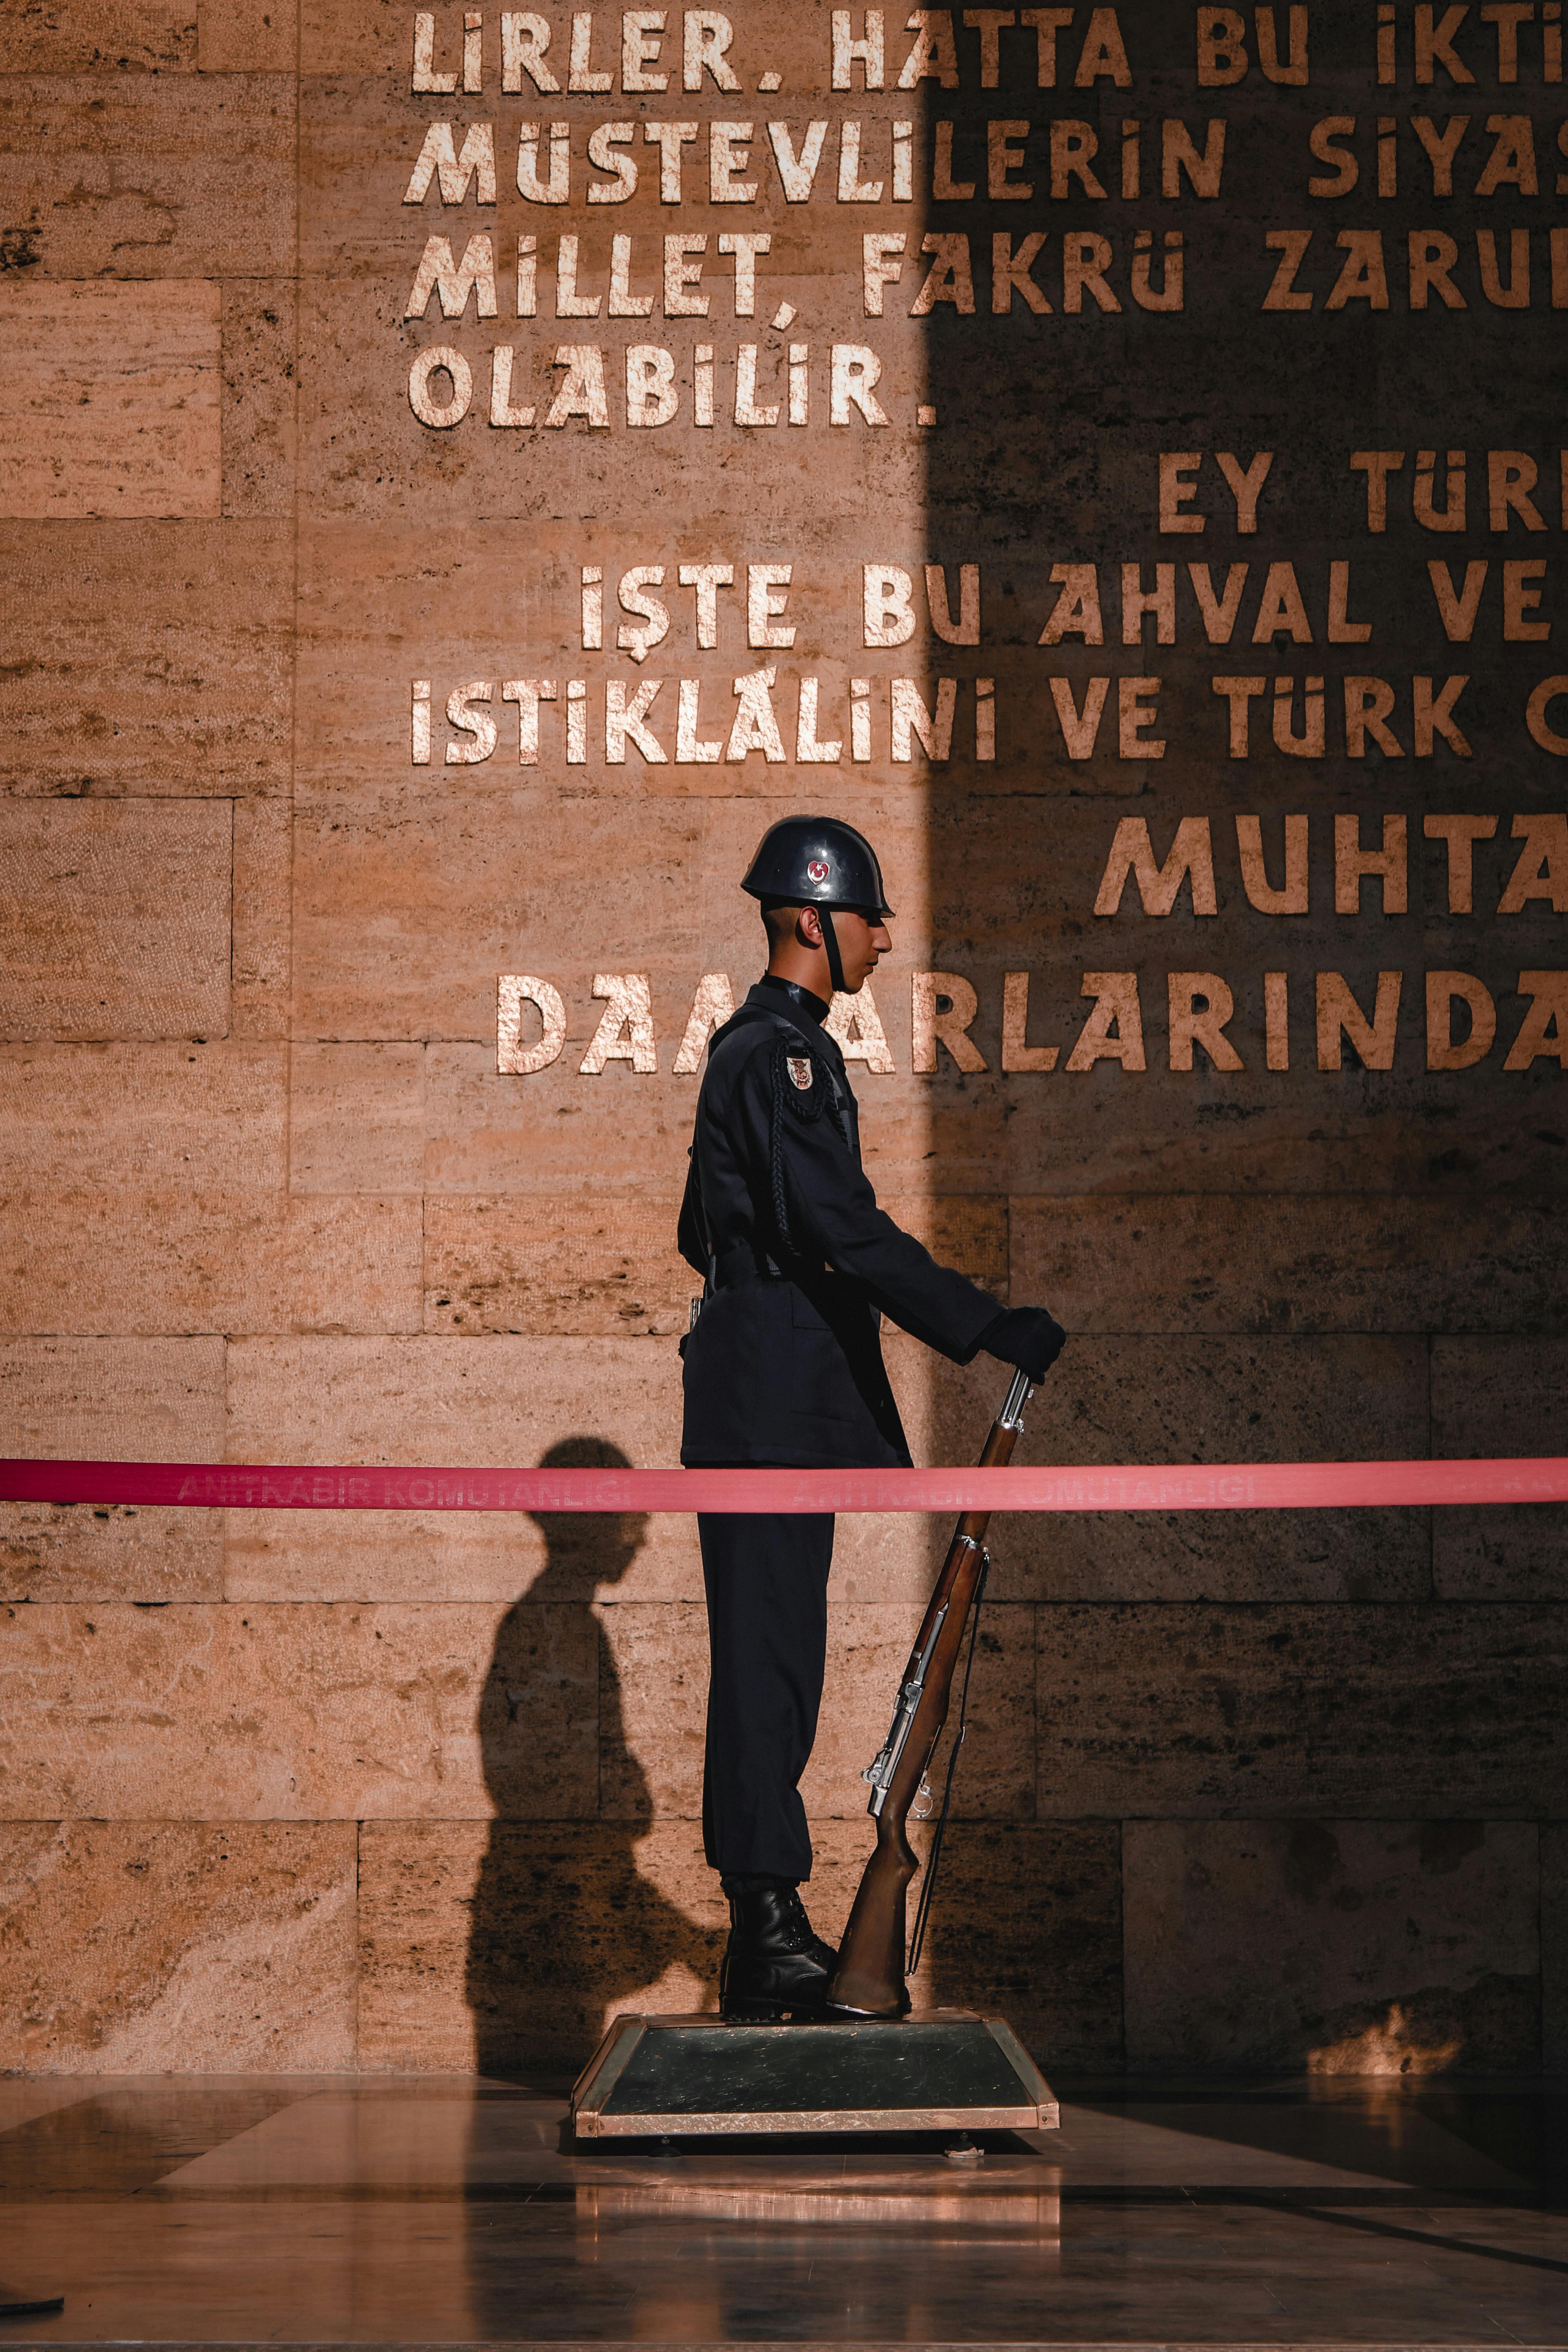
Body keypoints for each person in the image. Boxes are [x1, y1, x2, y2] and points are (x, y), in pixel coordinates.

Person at [677, 815, 1066, 2021]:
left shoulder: (781, 1054)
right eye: (870, 917)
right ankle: (765, 1925)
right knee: (765, 1656)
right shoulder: (775, 1056)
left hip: (773, 1383)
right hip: (766, 1394)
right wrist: (980, 1322)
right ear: (812, 919)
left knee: (780, 1653)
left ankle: (768, 1921)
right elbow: (833, 1227)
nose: (887, 939)